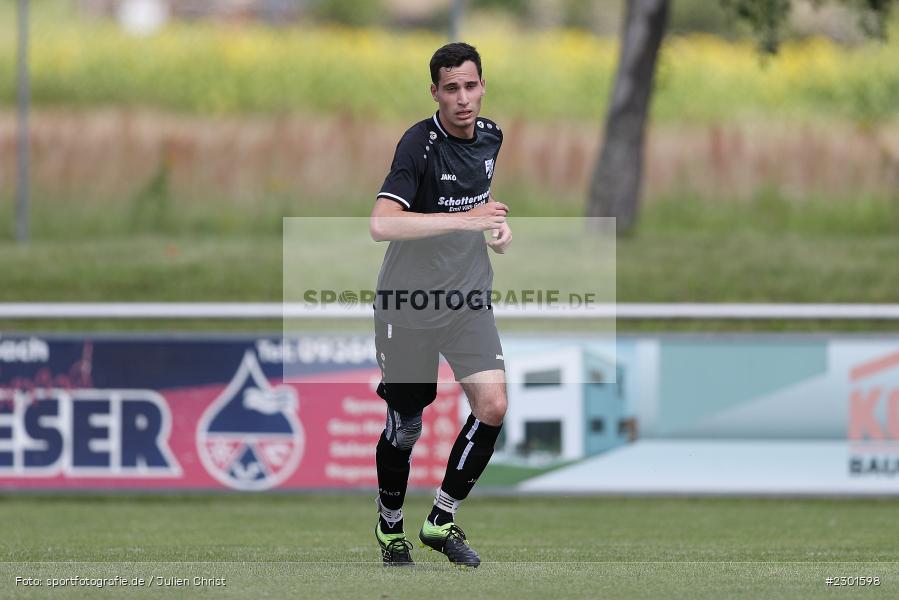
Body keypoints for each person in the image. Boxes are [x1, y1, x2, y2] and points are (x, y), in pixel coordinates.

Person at [368, 42, 512, 568]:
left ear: (483, 86)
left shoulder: (491, 136)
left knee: (493, 406)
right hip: (408, 307)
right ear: (435, 93)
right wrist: (467, 219)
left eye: (471, 86)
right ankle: (390, 526)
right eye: (451, 88)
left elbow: (476, 205)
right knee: (407, 427)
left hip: (467, 300)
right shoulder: (418, 145)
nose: (463, 98)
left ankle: (441, 519)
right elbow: (382, 223)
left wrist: (495, 228)